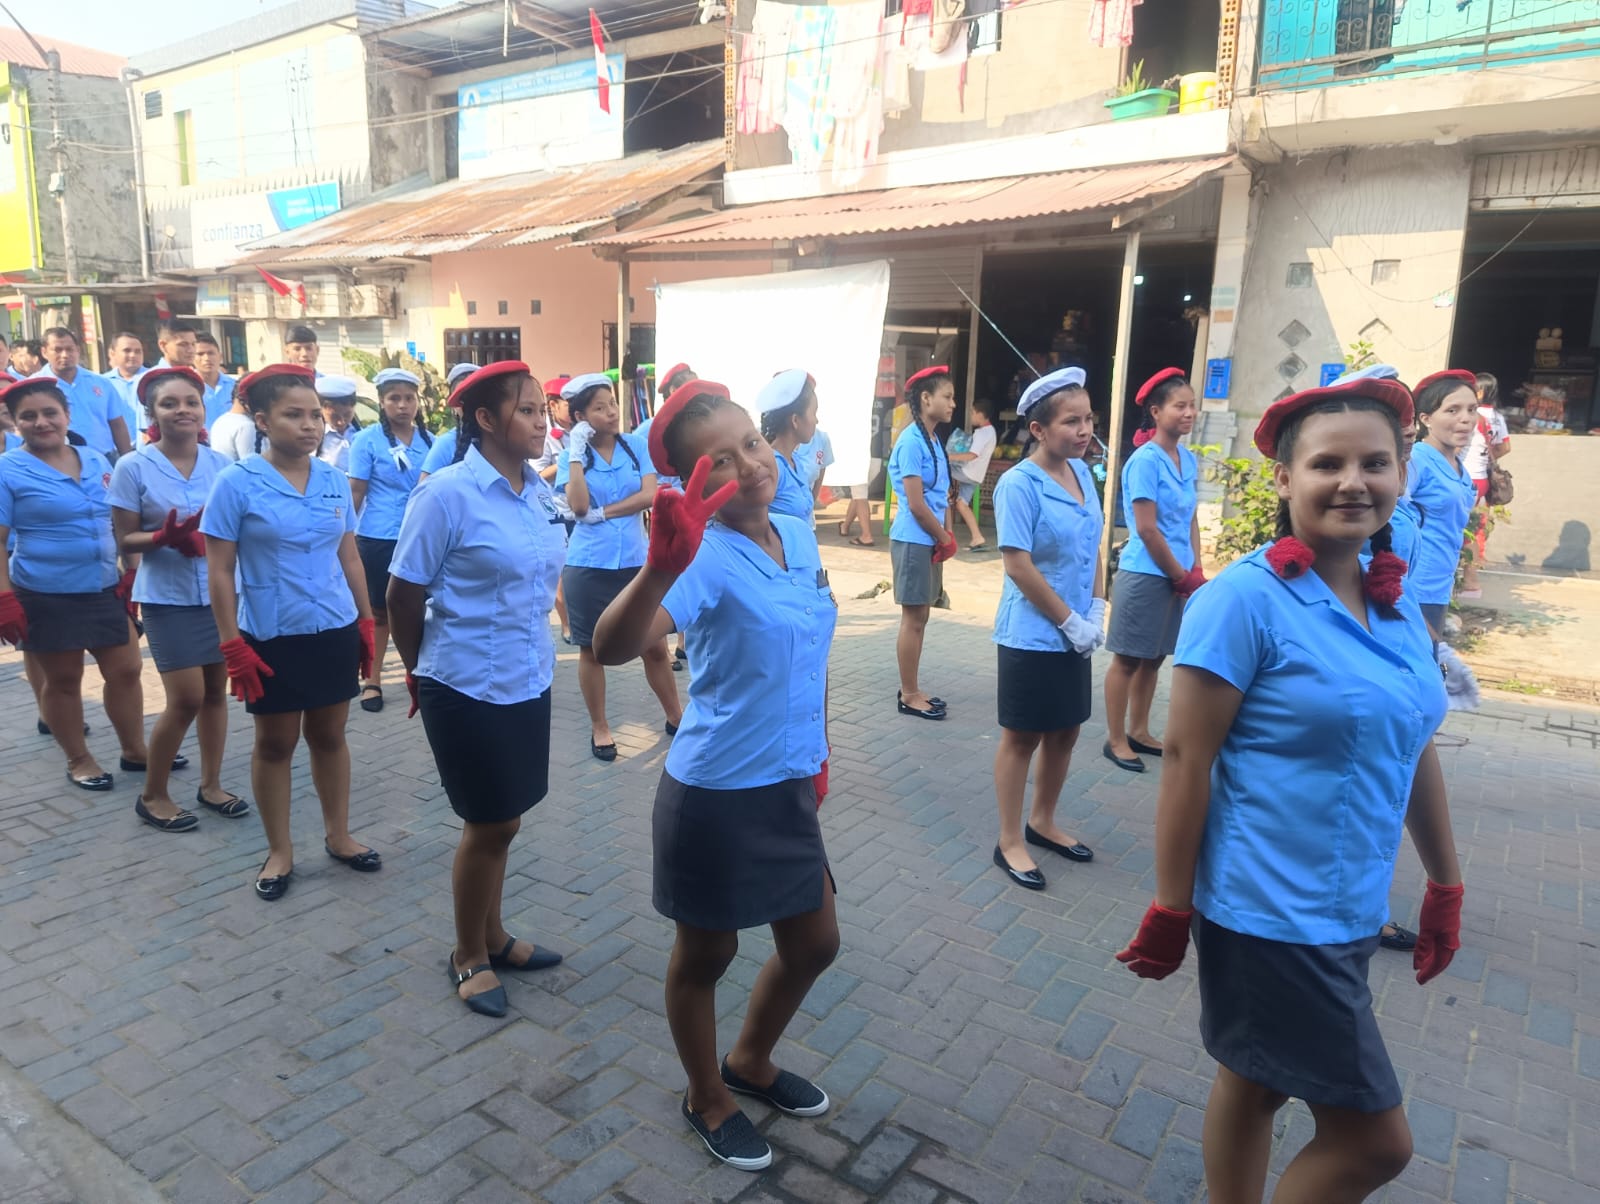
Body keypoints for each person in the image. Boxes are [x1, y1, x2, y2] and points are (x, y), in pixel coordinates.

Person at [1116, 373, 1462, 1204]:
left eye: (1375, 463)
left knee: (1255, 1079)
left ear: (1401, 474)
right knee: (1375, 1142)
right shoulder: (1243, 600)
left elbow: (1414, 741)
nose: (1354, 481)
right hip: (1270, 912)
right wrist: (1170, 907)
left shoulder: (1396, 602)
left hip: (1350, 902)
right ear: (1283, 478)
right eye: (1327, 463)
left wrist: (1445, 883)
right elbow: (1186, 760)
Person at [593, 380, 837, 1173]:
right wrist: (658, 570)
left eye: (751, 445)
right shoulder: (697, 556)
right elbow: (610, 646)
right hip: (716, 794)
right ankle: (706, 1094)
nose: (750, 465)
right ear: (694, 482)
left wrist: (818, 751)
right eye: (721, 462)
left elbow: (811, 648)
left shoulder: (797, 534)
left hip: (788, 780)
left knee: (816, 943)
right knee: (707, 957)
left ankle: (750, 1060)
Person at [388, 362, 568, 1017]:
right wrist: (418, 670)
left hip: (527, 676)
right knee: (487, 823)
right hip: (464, 682)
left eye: (543, 409)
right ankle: (468, 954)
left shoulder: (538, 491)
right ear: (486, 420)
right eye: (528, 410)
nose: (542, 422)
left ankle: (494, 935)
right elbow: (402, 593)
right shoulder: (447, 494)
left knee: (505, 819)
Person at [201, 364, 380, 901]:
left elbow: (349, 555)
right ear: (262, 420)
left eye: (315, 416)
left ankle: (338, 835)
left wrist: (365, 621)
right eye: (293, 415)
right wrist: (231, 642)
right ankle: (279, 850)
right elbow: (219, 570)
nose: (310, 426)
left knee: (330, 736)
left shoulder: (331, 478)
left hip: (332, 626)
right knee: (275, 743)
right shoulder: (236, 482)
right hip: (270, 633)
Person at [108, 367, 247, 831]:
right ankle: (153, 794)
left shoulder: (222, 465)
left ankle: (211, 785)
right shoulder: (133, 466)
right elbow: (124, 539)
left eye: (191, 402)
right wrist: (162, 538)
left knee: (214, 694)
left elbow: (235, 527)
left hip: (219, 593)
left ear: (203, 409)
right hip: (166, 597)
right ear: (152, 413)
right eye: (169, 404)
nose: (182, 410)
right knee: (186, 698)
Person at [0, 377, 151, 790]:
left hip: (104, 586)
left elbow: (120, 521)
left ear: (67, 415)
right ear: (14, 422)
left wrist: (132, 570)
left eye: (50, 412)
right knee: (64, 680)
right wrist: (4, 596)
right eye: (28, 416)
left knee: (127, 669)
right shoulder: (7, 469)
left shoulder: (96, 459)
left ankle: (135, 750)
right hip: (45, 591)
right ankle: (79, 759)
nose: (41, 422)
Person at [990, 369, 1101, 891]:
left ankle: (1043, 820)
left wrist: (1096, 608)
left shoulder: (1084, 474)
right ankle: (1010, 840)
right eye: (1071, 421)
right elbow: (1018, 565)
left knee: (1066, 730)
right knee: (1023, 737)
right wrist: (1069, 621)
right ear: (1038, 430)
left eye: (1088, 418)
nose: (1085, 429)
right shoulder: (1019, 484)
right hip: (1032, 635)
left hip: (1077, 632)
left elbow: (1093, 545)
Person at [556, 372, 681, 761]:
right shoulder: (570, 456)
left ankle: (676, 716)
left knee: (655, 648)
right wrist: (576, 452)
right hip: (588, 564)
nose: (611, 412)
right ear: (580, 417)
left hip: (636, 563)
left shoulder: (635, 446)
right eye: (600, 407)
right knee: (591, 651)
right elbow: (579, 506)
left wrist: (605, 512)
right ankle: (600, 727)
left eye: (612, 403)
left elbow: (650, 494)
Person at [1102, 368, 1202, 773]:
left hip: (1178, 575)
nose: (1189, 413)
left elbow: (1191, 518)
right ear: (1156, 412)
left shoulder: (1187, 459)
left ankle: (1139, 731)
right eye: (1180, 406)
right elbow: (1145, 528)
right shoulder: (1145, 461)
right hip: (1146, 574)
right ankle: (1115, 739)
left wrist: (1196, 567)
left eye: (1192, 405)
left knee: (1155, 658)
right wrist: (1180, 574)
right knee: (1127, 660)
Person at [348, 368, 433, 713]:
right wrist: (343, 539)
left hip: (423, 537)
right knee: (380, 612)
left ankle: (422, 674)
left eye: (409, 398)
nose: (402, 405)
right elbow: (356, 492)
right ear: (382, 402)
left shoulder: (431, 440)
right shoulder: (367, 441)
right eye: (394, 398)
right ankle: (373, 679)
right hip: (379, 537)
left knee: (421, 609)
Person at [889, 366, 958, 720]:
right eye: (947, 396)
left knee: (922, 615)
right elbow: (916, 504)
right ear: (926, 399)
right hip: (914, 539)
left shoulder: (931, 439)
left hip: (928, 539)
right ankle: (909, 694)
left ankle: (912, 688)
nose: (953, 404)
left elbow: (941, 496)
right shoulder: (911, 442)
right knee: (913, 618)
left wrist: (946, 534)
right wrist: (943, 537)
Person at [1406, 369, 1478, 638]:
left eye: (1472, 410)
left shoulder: (1459, 466)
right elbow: (1390, 515)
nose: (1465, 419)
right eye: (1452, 410)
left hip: (1440, 586)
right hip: (1413, 587)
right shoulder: (1417, 460)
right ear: (1425, 419)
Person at [41, 327, 132, 460]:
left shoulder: (101, 383)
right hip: (55, 461)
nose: (65, 355)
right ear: (44, 352)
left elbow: (117, 424)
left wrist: (127, 459)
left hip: (104, 459)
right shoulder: (36, 387)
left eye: (70, 349)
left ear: (78, 350)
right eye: (57, 350)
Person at [1460, 371, 1510, 598]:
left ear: (1479, 392)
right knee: (1474, 529)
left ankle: (1468, 582)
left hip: (1467, 477)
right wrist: (1485, 460)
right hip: (1482, 478)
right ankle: (1471, 581)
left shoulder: (1472, 415)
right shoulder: (1497, 416)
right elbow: (1505, 447)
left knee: (1459, 530)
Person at [758, 369, 821, 524]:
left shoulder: (795, 462)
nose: (816, 421)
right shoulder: (772, 466)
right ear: (795, 420)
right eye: (814, 413)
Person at [416, 363, 481, 479]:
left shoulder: (503, 439)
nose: (471, 404)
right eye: (463, 399)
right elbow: (424, 486)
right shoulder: (445, 444)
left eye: (476, 396)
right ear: (453, 405)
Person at [949, 399, 998, 551]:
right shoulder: (991, 431)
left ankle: (945, 497)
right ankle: (977, 538)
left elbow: (972, 455)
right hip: (976, 476)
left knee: (941, 468)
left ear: (980, 414)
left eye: (972, 412)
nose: (970, 415)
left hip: (968, 472)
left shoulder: (983, 433)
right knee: (961, 504)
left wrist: (948, 457)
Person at [106, 332, 148, 445]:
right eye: (127, 350)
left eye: (138, 351)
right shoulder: (102, 383)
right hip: (114, 448)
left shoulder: (153, 378)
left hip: (149, 447)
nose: (133, 355)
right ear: (112, 353)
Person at [315, 377, 361, 471]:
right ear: (321, 410)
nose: (341, 422)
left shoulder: (363, 435)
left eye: (347, 415)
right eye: (334, 416)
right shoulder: (314, 438)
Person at [194, 333, 236, 426]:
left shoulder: (235, 387)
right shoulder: (187, 388)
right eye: (200, 354)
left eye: (211, 353)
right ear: (192, 357)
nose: (207, 358)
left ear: (220, 356)